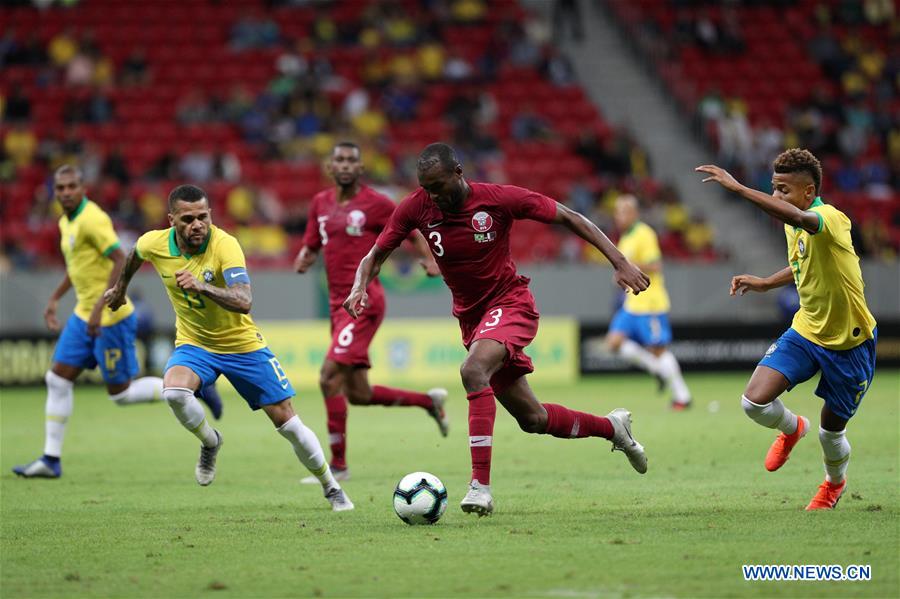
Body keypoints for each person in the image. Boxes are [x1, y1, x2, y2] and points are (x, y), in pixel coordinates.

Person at [344, 143, 651, 516]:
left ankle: (480, 487)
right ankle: (613, 428)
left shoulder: (499, 199)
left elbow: (570, 217)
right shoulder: (417, 206)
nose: (434, 196)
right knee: (533, 419)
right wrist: (360, 285)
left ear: (458, 172)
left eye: (438, 186)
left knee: (473, 370)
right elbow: (375, 254)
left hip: (511, 304)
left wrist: (619, 262)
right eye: (427, 188)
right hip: (473, 320)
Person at [104, 184, 352, 511]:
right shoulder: (155, 242)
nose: (197, 225)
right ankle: (210, 442)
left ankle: (331, 487)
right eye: (188, 218)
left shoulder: (225, 245)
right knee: (175, 393)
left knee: (288, 423)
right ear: (171, 220)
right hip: (195, 343)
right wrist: (120, 290)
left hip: (242, 346)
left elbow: (244, 300)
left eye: (203, 217)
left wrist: (203, 286)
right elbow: (136, 254)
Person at [696, 149, 877, 510]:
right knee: (752, 402)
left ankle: (833, 485)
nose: (777, 197)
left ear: (808, 192)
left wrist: (740, 189)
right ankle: (793, 427)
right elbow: (801, 263)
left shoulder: (830, 218)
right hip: (807, 330)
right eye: (774, 189)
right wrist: (765, 283)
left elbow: (797, 216)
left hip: (850, 343)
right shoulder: (792, 224)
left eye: (784, 190)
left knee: (831, 433)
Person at [293, 142, 449, 482]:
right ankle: (429, 402)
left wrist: (427, 257)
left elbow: (410, 227)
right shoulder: (320, 203)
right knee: (358, 394)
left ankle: (338, 466)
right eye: (340, 160)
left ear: (361, 168)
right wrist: (306, 254)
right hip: (338, 307)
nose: (346, 165)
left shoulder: (376, 204)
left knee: (328, 377)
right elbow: (315, 239)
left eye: (352, 160)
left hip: (362, 300)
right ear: (330, 167)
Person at [13, 166, 171, 478]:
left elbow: (120, 258)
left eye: (72, 186)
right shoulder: (65, 222)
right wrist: (56, 298)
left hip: (109, 316)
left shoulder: (93, 219)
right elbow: (78, 267)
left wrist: (101, 307)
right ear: (54, 192)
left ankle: (184, 387)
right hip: (83, 314)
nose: (66, 192)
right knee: (57, 380)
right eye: (61, 188)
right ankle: (50, 459)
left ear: (83, 188)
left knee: (121, 395)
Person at [605, 195, 692, 409]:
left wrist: (629, 267)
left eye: (623, 211)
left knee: (658, 350)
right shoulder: (625, 238)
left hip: (650, 302)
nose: (618, 216)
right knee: (614, 342)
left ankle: (682, 397)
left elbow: (655, 266)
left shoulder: (645, 234)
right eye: (616, 212)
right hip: (631, 303)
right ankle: (658, 370)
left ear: (634, 213)